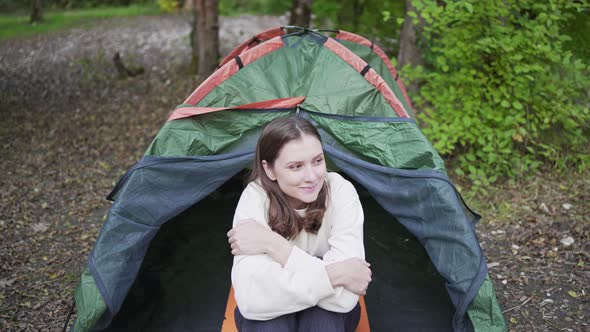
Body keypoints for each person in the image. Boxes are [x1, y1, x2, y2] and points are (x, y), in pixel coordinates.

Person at [226, 116, 372, 332]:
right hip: (268, 317)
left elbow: (345, 299)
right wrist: (334, 274)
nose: (312, 176)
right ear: (269, 169)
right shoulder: (255, 199)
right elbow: (251, 299)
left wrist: (274, 245)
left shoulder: (341, 191)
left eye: (318, 161)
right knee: (271, 324)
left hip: (329, 313)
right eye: (296, 166)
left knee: (322, 322)